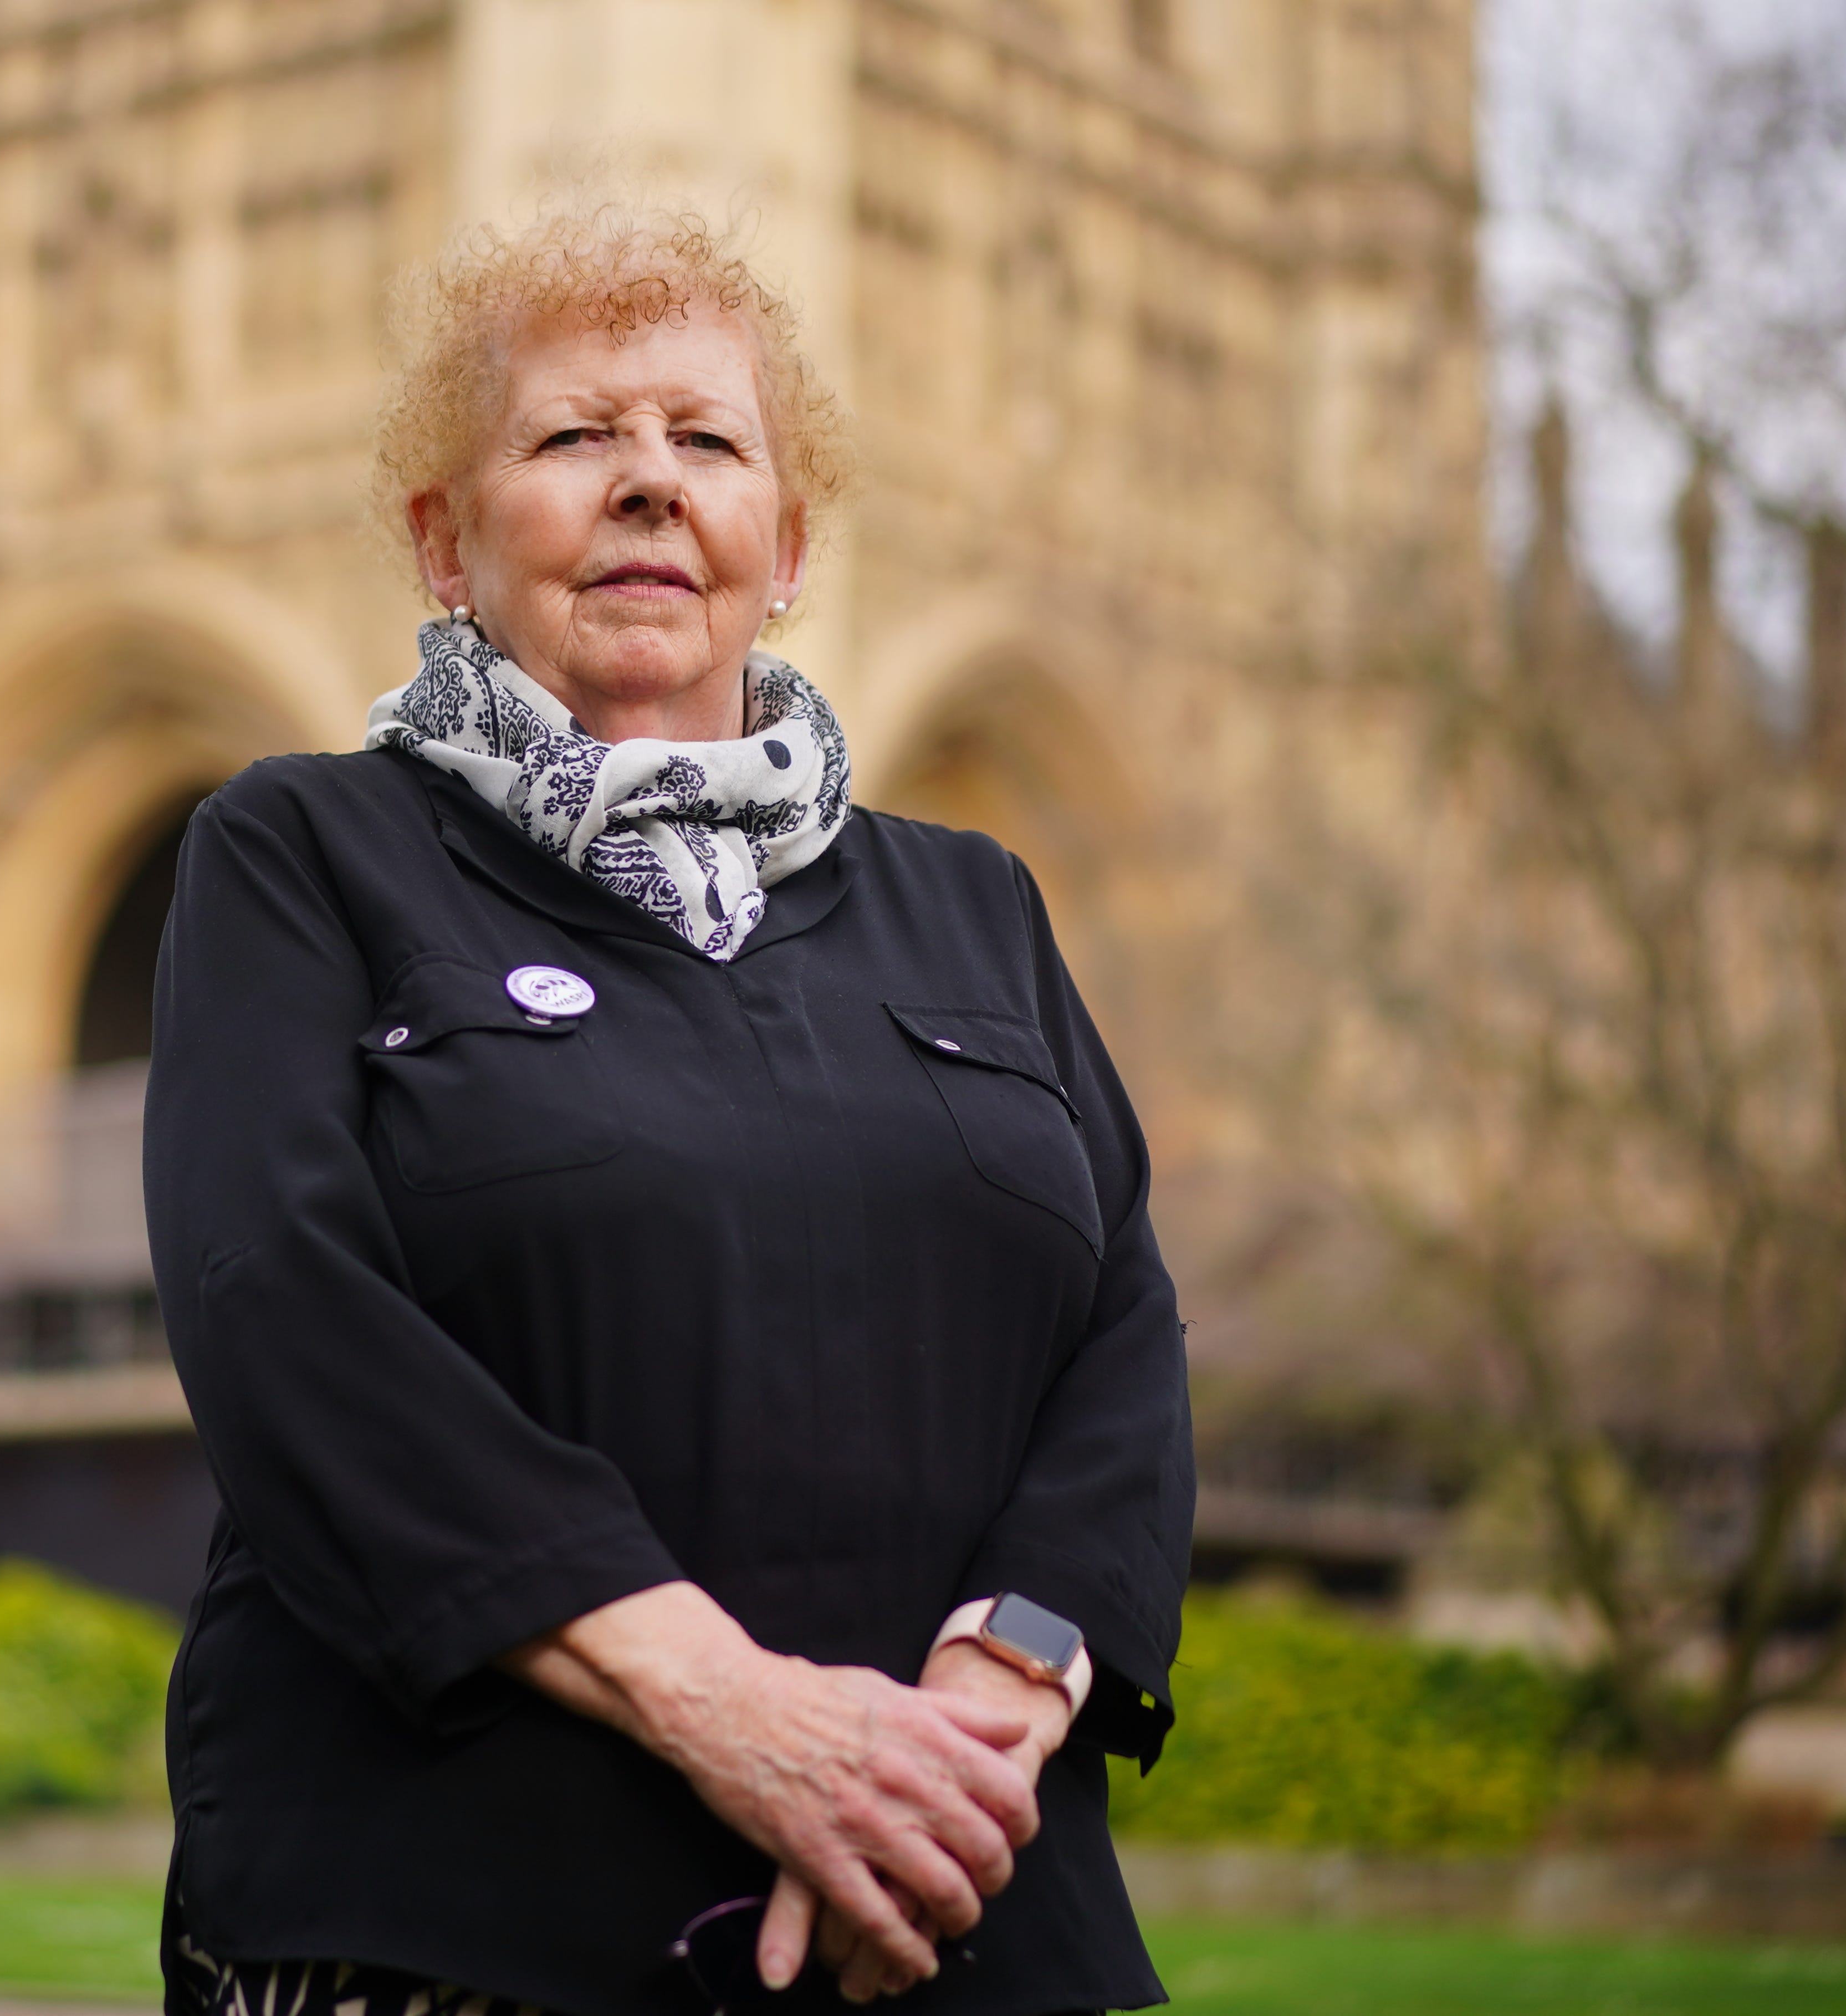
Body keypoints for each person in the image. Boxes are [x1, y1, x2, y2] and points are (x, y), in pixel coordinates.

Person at [144, 210, 1192, 2016]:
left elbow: (1124, 1333)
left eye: (707, 442)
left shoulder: (974, 904)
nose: (649, 486)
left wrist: (982, 1723)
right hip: (458, 1928)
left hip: (958, 1923)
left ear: (784, 549)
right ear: (444, 540)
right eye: (572, 439)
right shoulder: (306, 854)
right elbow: (281, 1310)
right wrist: (734, 1711)